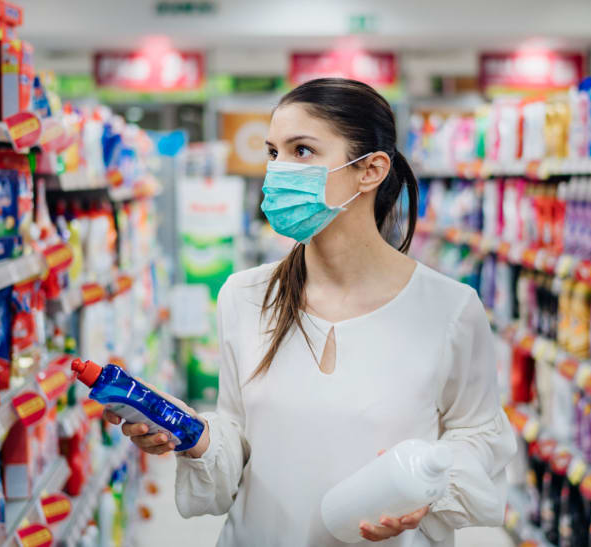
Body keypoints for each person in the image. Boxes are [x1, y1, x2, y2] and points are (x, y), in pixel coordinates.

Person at [105, 78, 516, 546]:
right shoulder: (245, 296)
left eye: (302, 151)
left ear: (371, 170)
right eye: (273, 153)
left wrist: (428, 493)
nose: (277, 171)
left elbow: (479, 439)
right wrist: (190, 434)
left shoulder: (449, 310)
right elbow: (239, 441)